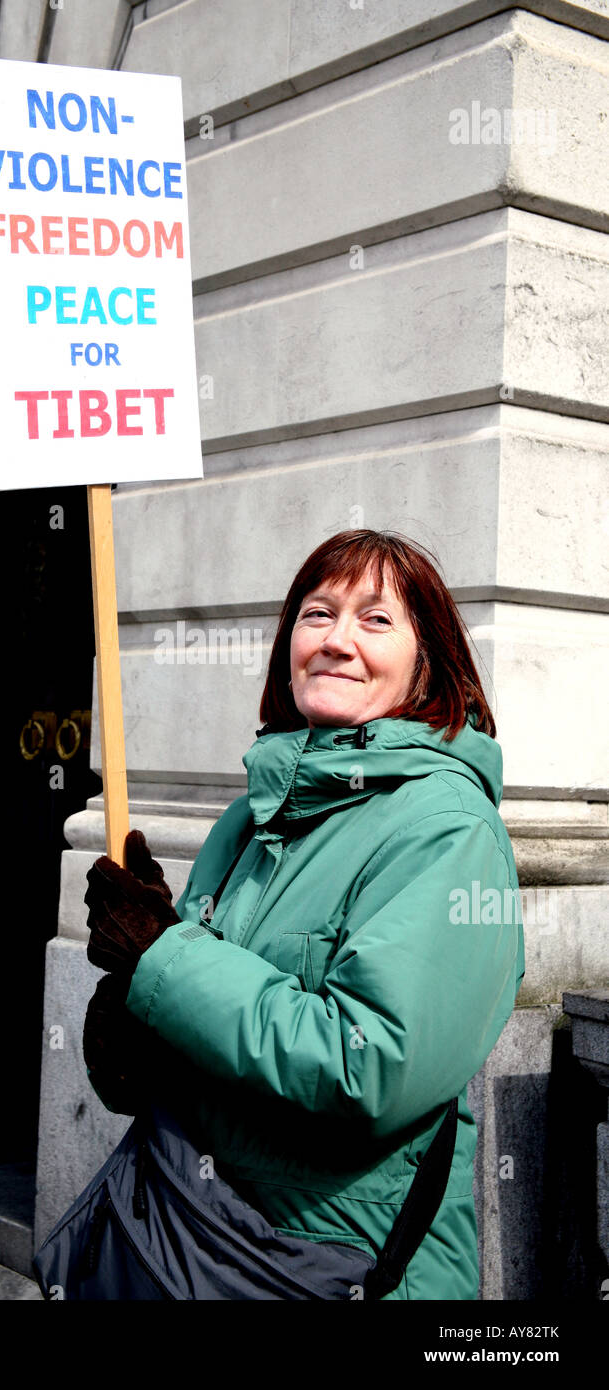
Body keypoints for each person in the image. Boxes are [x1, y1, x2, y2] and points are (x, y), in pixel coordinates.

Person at [82, 528, 525, 1300]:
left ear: (429, 662)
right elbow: (187, 1045)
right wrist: (131, 997)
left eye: (376, 620)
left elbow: (369, 1068)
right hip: (189, 1238)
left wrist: (168, 956)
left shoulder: (448, 830)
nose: (336, 640)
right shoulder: (249, 816)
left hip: (329, 1269)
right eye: (317, 614)